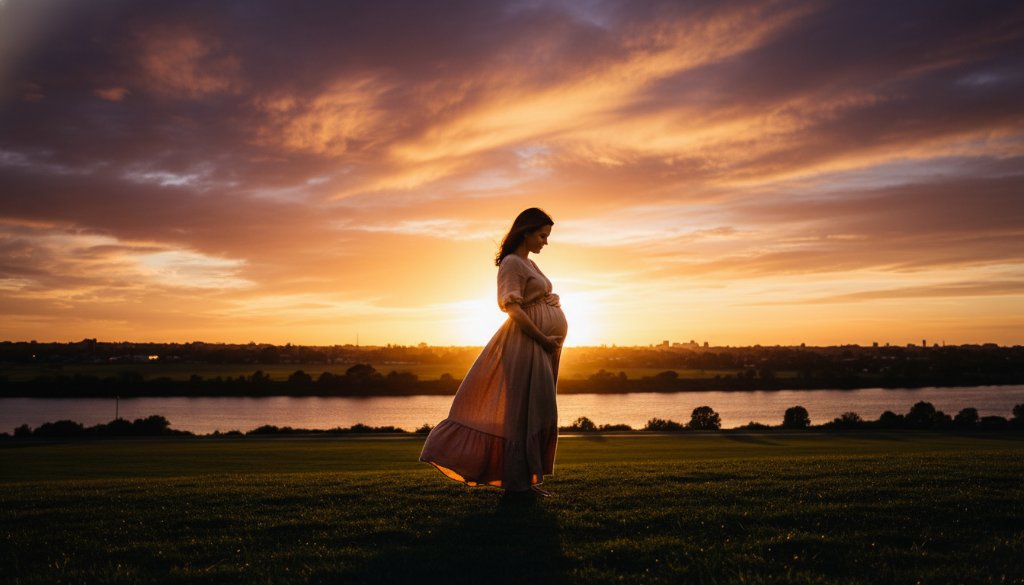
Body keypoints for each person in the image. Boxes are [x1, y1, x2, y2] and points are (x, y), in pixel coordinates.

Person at [419, 207, 567, 496]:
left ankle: (526, 480)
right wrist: (541, 338)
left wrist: (550, 299)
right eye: (542, 235)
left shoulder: (530, 264)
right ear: (526, 232)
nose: (545, 242)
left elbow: (532, 296)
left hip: (543, 347)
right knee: (519, 413)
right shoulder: (512, 263)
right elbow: (512, 307)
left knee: (535, 411)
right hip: (528, 344)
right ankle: (516, 484)